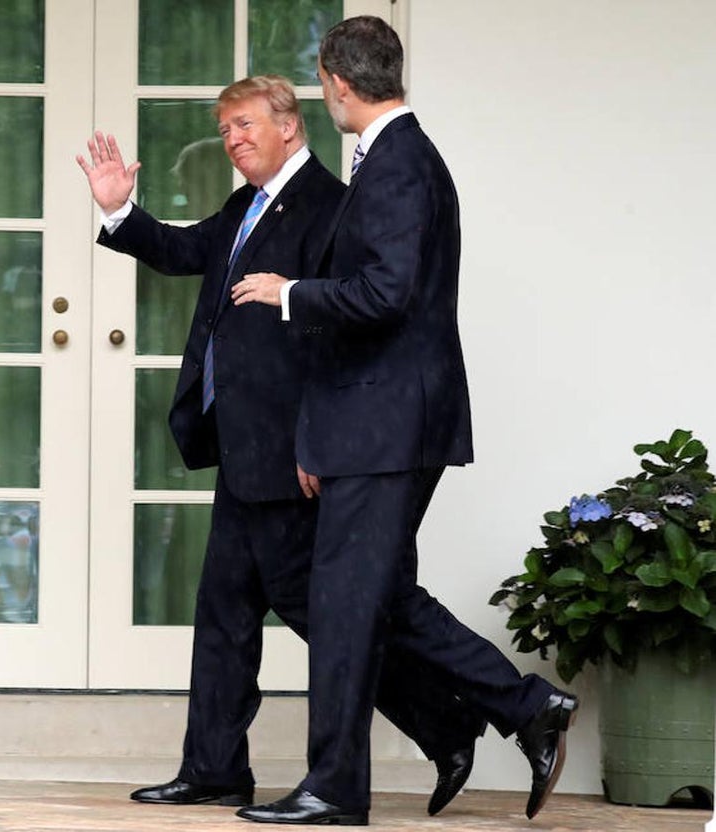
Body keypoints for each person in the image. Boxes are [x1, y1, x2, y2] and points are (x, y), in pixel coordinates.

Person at [76, 75, 485, 815]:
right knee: (227, 611)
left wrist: (315, 445)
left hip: (298, 457)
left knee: (337, 615)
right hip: (243, 447)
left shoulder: (334, 205)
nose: (231, 139)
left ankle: (447, 721)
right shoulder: (247, 205)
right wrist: (118, 210)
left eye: (243, 124)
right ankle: (213, 768)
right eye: (224, 128)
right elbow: (179, 249)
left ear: (291, 125)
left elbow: (342, 337)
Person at [230, 18, 577, 826]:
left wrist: (289, 292)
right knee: (376, 594)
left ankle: (335, 789)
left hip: (386, 425)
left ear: (337, 84)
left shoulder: (398, 165)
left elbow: (385, 295)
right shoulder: (396, 159)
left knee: (347, 600)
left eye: (323, 86)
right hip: (377, 422)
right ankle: (523, 708)